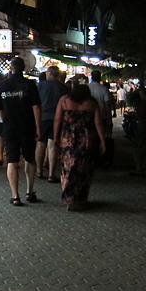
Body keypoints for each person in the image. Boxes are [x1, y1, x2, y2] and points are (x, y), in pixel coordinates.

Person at [0, 57, 41, 206]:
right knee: (29, 158)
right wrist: (38, 128)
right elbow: (36, 108)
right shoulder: (30, 85)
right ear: (24, 68)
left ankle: (15, 196)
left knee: (12, 160)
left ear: (11, 68)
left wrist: (6, 120)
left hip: (9, 128)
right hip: (27, 127)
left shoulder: (2, 85)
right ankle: (29, 191)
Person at [54, 83, 106, 211]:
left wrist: (56, 137)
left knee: (68, 167)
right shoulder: (92, 103)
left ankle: (69, 197)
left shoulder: (64, 100)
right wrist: (102, 140)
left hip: (68, 138)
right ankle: (81, 198)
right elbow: (98, 123)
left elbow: (57, 119)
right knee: (84, 168)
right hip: (86, 138)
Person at [36, 66, 65, 183]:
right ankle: (51, 174)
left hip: (42, 118)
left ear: (50, 73)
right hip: (57, 119)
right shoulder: (63, 87)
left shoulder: (41, 85)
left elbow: (35, 103)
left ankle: (39, 171)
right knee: (52, 146)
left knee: (40, 144)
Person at [88, 70, 114, 137]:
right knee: (101, 136)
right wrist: (109, 120)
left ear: (92, 77)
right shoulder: (104, 89)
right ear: (99, 77)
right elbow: (107, 105)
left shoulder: (87, 87)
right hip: (102, 116)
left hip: (89, 116)